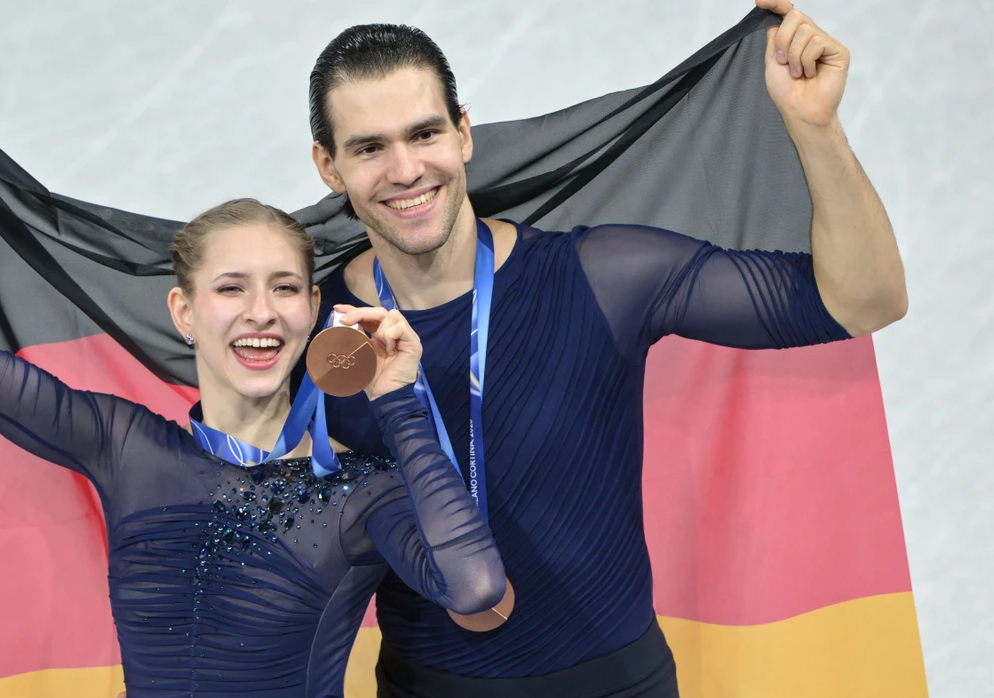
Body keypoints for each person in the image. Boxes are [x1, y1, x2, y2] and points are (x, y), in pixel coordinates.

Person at [0, 42, 508, 698]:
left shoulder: (362, 493)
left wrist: (398, 400)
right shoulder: (126, 446)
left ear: (314, 310)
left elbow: (474, 587)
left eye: (285, 288)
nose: (260, 313)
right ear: (184, 311)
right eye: (231, 288)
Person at [306, 1, 909, 696]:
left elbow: (866, 300)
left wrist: (816, 130)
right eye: (369, 147)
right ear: (329, 166)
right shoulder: (311, 333)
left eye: (425, 133)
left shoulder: (603, 277)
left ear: (464, 134)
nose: (406, 169)